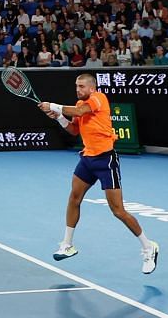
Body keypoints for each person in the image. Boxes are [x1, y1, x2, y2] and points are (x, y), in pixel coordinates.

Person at [38, 72, 159, 274]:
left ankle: (148, 247)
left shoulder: (98, 99)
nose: (78, 89)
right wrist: (59, 117)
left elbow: (81, 110)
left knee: (118, 211)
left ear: (92, 88)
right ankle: (67, 244)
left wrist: (54, 106)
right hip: (87, 159)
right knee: (74, 199)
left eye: (82, 86)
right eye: (77, 86)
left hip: (105, 160)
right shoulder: (79, 103)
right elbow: (74, 130)